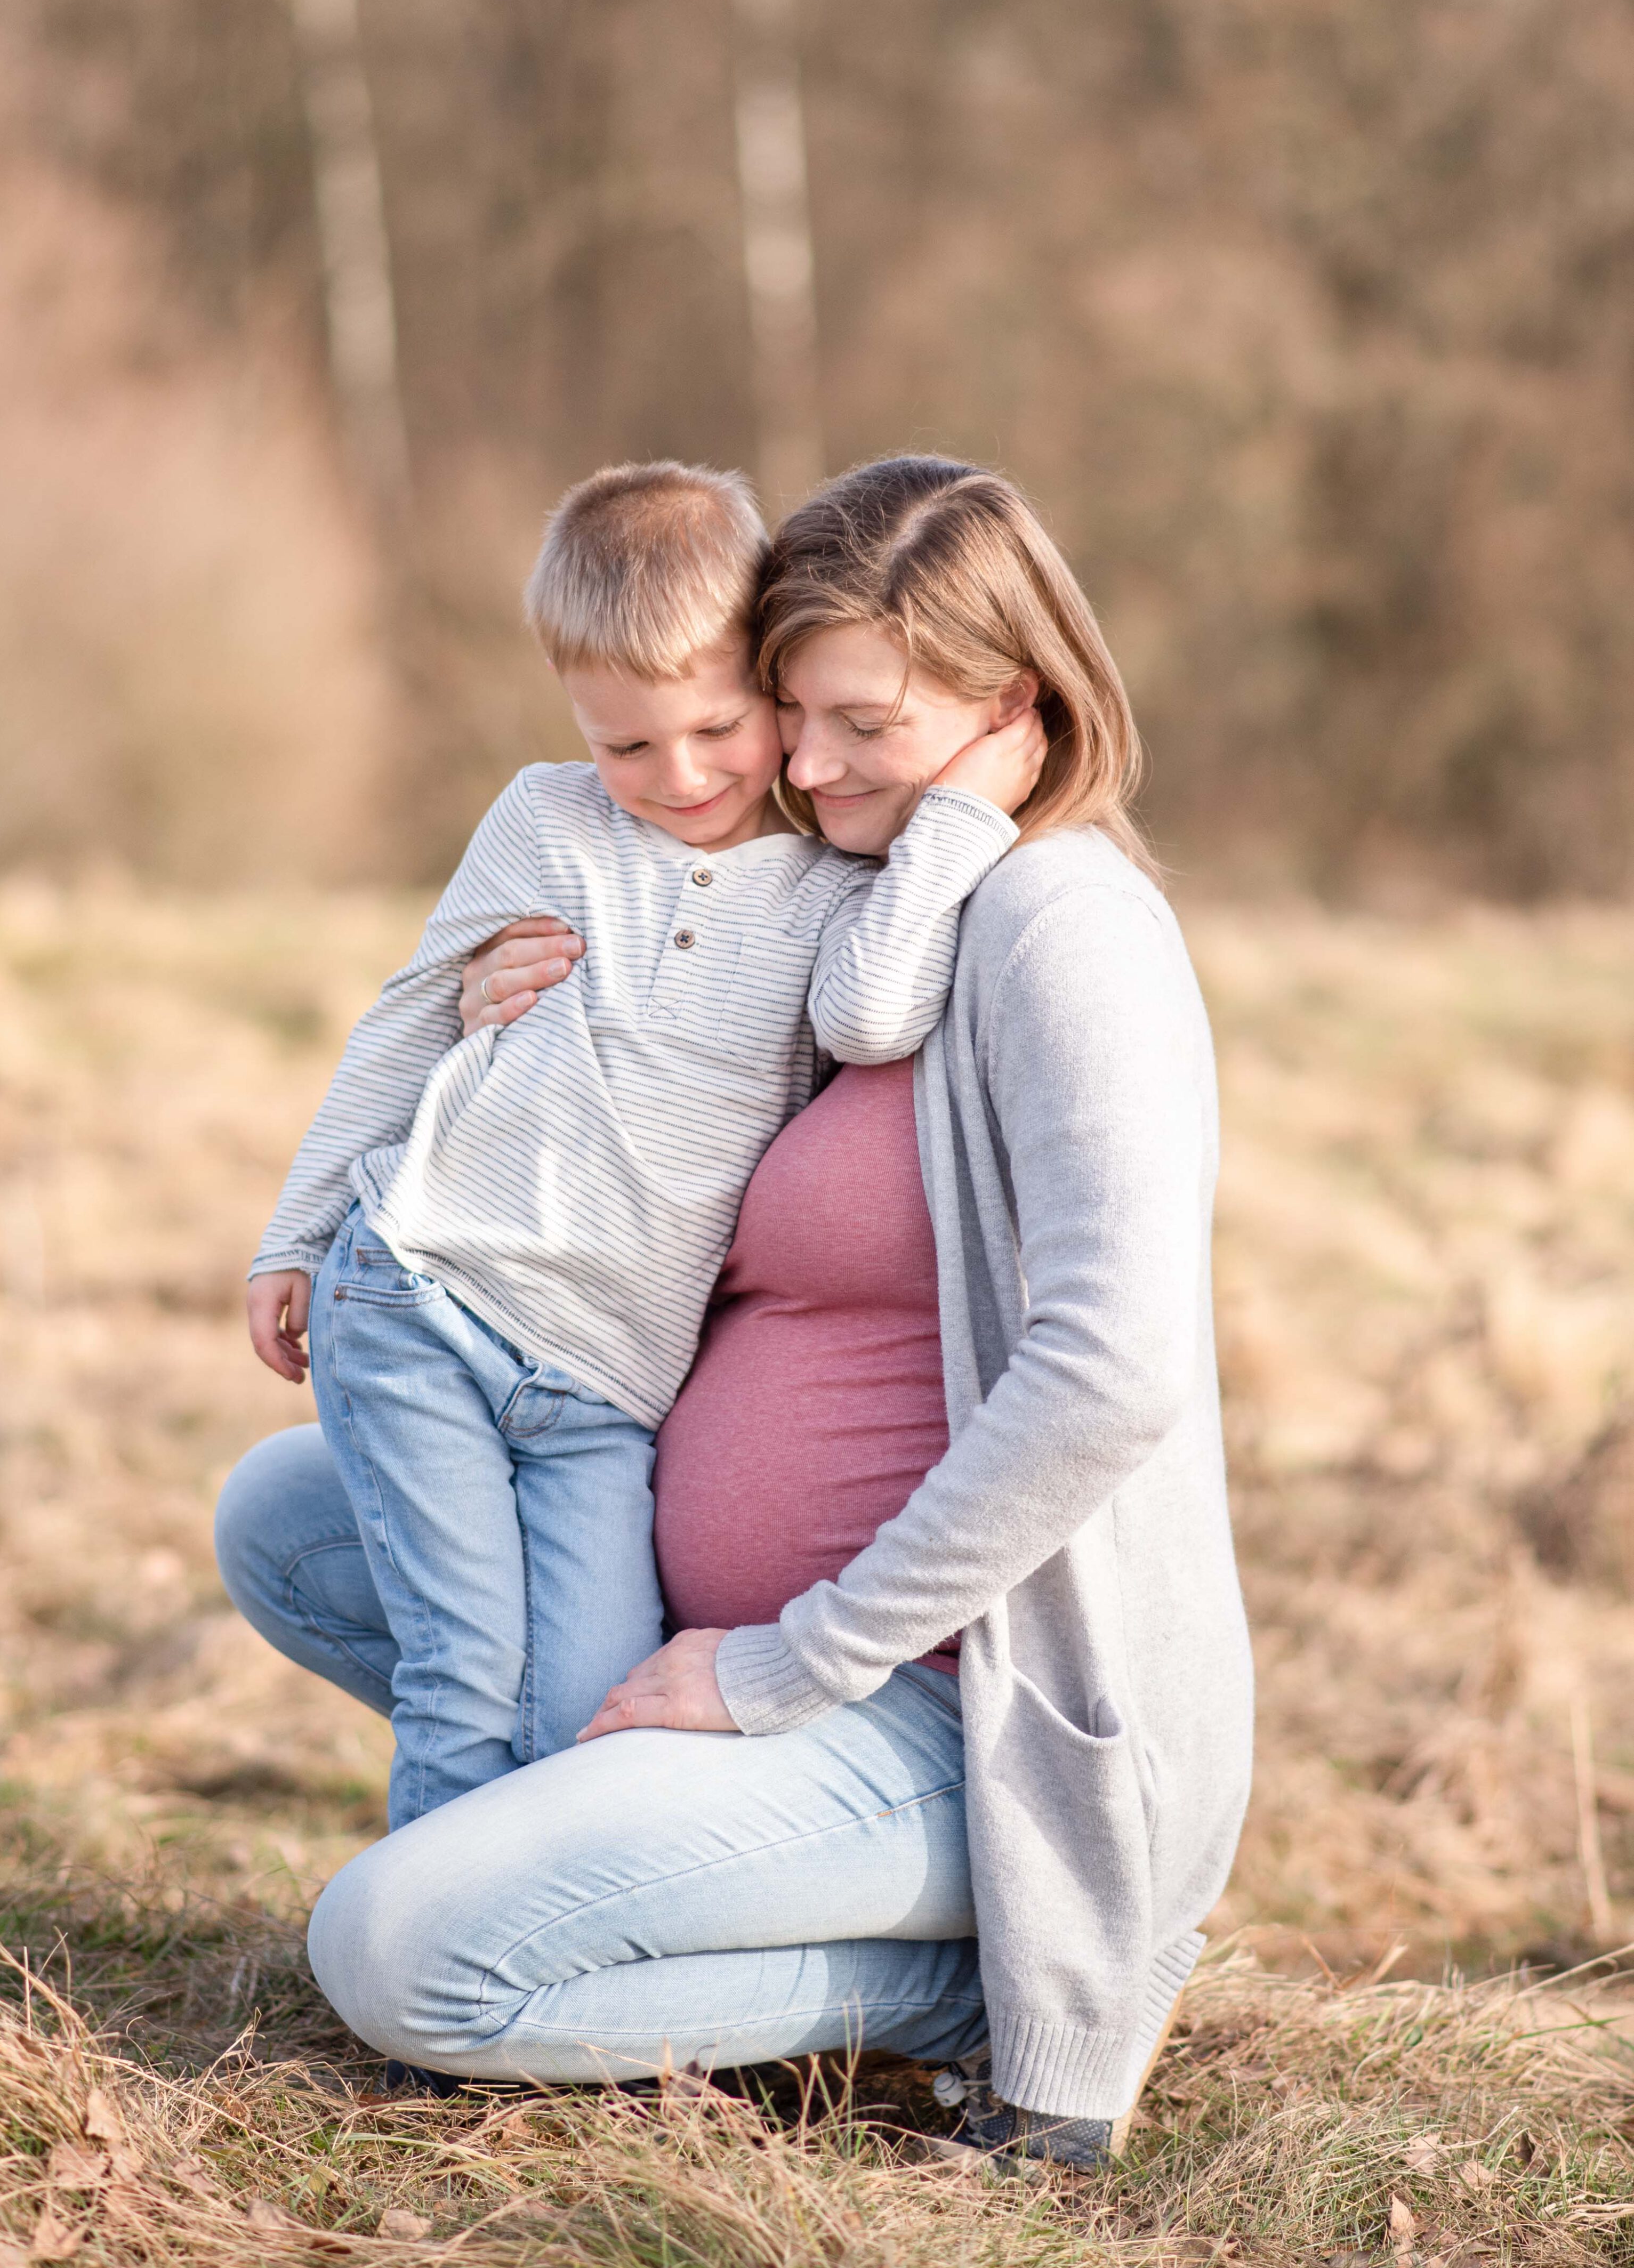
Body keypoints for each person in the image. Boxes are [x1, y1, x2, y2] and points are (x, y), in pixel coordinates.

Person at [215, 455, 1252, 2171]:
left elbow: (1107, 1374)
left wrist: (785, 1663)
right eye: (797, 711)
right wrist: (505, 1014)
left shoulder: (1063, 928)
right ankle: (640, 1868)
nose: (811, 762)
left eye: (867, 721)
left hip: (944, 1704)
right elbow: (675, 1075)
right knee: (286, 1513)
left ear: (1016, 707)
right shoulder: (846, 890)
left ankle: (965, 1991)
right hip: (733, 1626)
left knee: (400, 1956)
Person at [242, 459, 1041, 1829]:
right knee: (465, 1671)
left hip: (604, 1389)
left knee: (588, 1707)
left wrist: (958, 823)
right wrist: (294, 1231)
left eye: (719, 729)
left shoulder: (835, 879)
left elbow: (870, 1013)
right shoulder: (546, 821)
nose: (676, 778)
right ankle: (434, 2009)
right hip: (428, 1295)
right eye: (625, 746)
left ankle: (532, 1968)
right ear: (573, 717)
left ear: (768, 686)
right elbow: (409, 1017)